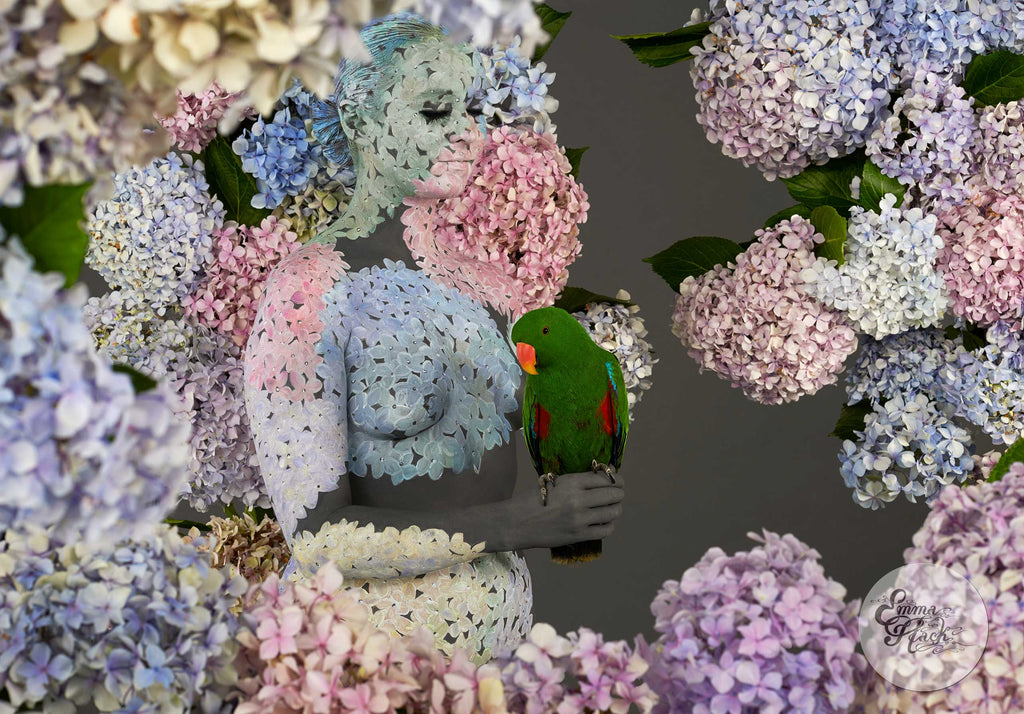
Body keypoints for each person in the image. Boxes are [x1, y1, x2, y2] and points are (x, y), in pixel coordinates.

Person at [243, 13, 626, 663]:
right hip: (360, 666)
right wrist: (527, 523)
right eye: (435, 109)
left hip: (494, 666)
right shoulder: (303, 294)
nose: (464, 132)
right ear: (361, 120)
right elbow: (316, 541)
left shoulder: (480, 279)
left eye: (472, 109)